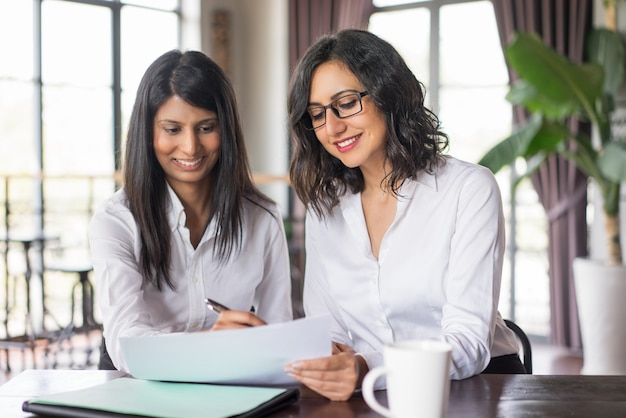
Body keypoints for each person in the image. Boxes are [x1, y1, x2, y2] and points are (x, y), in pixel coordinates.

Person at [284, 29, 523, 401]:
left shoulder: (468, 189)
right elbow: (331, 332)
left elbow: (468, 342)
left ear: (388, 94)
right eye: (317, 114)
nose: (331, 128)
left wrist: (366, 366)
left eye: (346, 103)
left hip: (473, 389)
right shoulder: (325, 208)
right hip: (372, 395)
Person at [89, 50, 293, 372]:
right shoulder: (116, 221)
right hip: (136, 384)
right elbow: (127, 344)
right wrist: (208, 343)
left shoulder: (262, 218)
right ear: (148, 133)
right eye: (172, 129)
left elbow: (278, 331)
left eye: (206, 127)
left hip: (230, 379)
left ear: (225, 130)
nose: (190, 146)